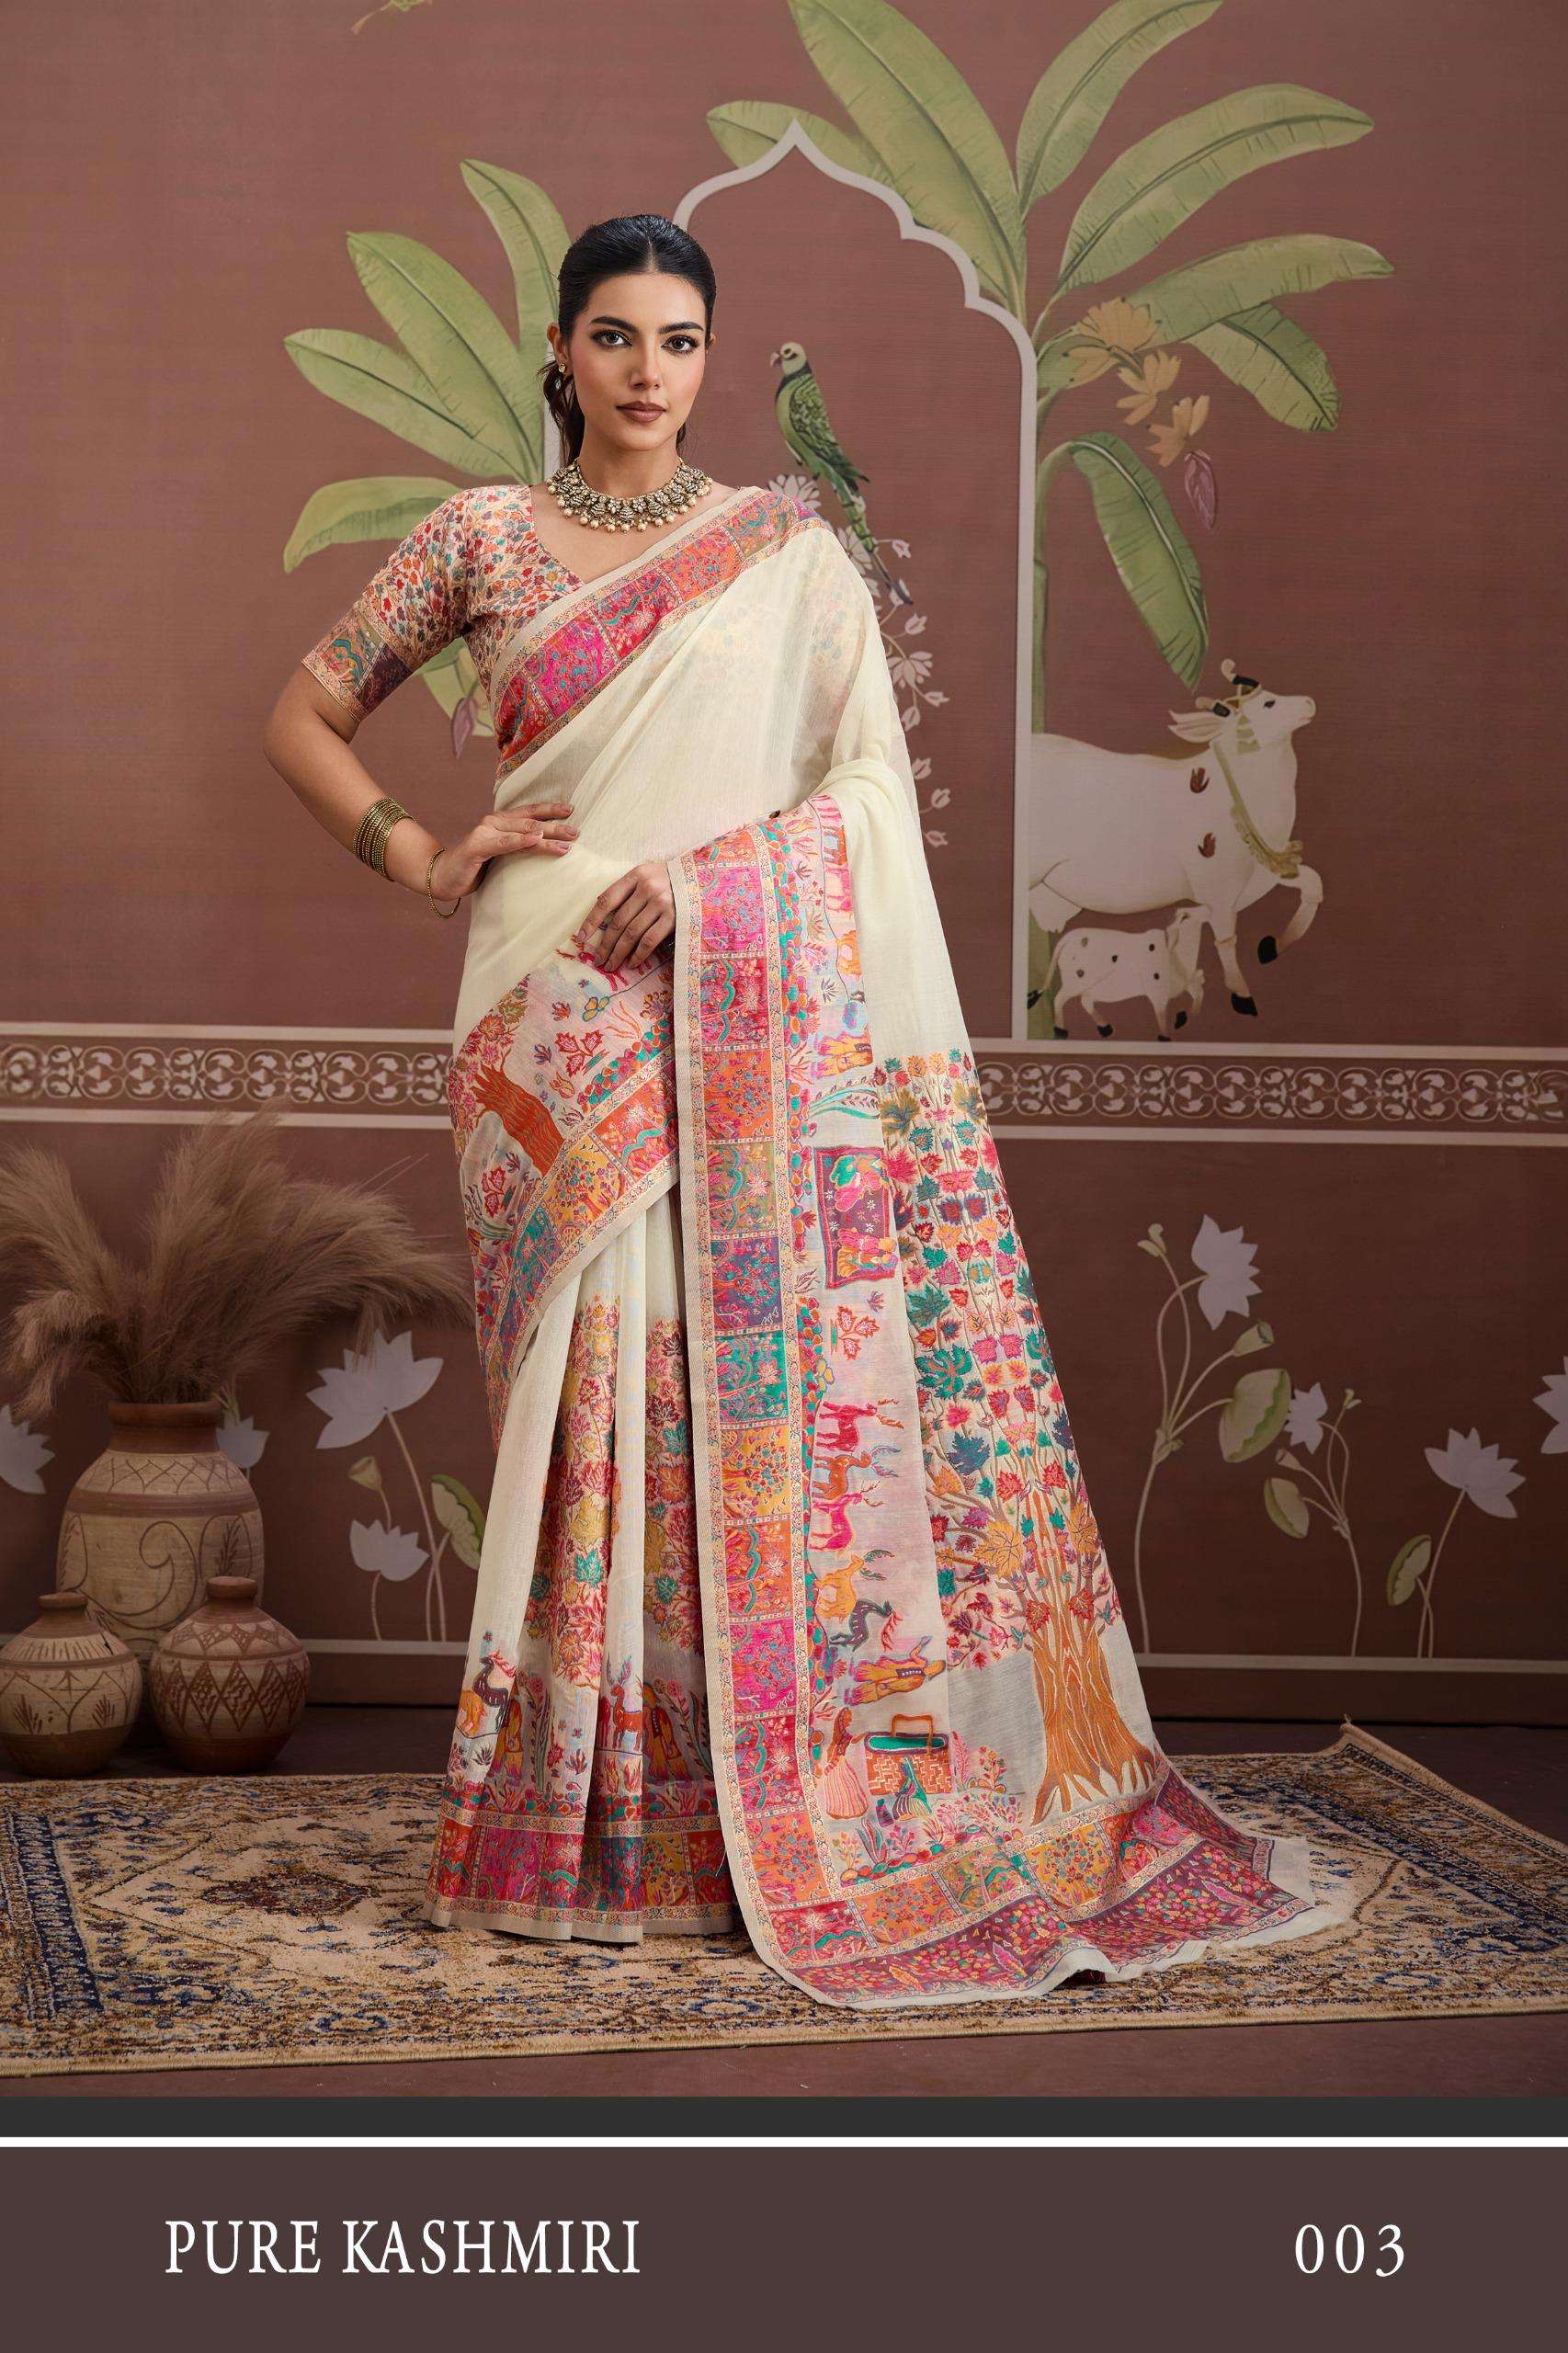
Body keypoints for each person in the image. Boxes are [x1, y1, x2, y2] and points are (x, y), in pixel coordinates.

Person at [264, 212, 1335, 2014]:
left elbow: (863, 794)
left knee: (725, 1385)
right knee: (587, 1397)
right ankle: (568, 1820)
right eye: (616, 336)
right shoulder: (476, 535)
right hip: (547, 1003)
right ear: (559, 349)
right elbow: (300, 714)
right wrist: (423, 850)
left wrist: (710, 890)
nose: (648, 371)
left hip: (729, 995)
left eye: (680, 339)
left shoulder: (782, 548)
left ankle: (720, 1820)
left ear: (707, 354)